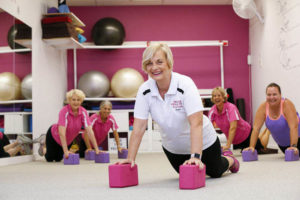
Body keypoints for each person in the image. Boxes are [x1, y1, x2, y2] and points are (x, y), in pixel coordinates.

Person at [118, 43, 240, 178]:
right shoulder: (144, 90)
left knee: (215, 171)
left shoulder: (185, 84)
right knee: (185, 174)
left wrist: (195, 156)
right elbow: (139, 127)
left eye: (159, 62)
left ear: (169, 63)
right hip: (174, 148)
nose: (154, 67)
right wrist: (130, 158)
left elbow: (196, 123)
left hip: (204, 142)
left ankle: (230, 160)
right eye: (149, 63)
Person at [36, 89, 100, 162]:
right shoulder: (64, 111)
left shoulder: (83, 112)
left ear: (81, 101)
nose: (76, 102)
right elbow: (62, 133)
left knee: (58, 159)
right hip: (54, 136)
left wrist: (96, 149)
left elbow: (90, 131)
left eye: (78, 100)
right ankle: (43, 147)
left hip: (68, 140)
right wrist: (65, 151)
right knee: (50, 158)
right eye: (73, 100)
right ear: (69, 100)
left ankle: (52, 149)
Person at [208, 87, 278, 154]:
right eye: (214, 96)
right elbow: (209, 129)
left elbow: (233, 127)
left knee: (262, 147)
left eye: (219, 95)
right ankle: (264, 132)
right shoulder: (212, 111)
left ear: (223, 97)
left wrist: (228, 145)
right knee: (249, 147)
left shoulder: (231, 108)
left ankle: (268, 130)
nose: (216, 97)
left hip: (246, 135)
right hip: (235, 140)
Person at [244, 83, 300, 155]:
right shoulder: (263, 107)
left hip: (297, 142)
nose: (272, 97)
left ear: (280, 95)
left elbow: (293, 127)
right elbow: (256, 129)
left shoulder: (287, 104)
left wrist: (293, 146)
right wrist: (251, 147)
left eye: (274, 94)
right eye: (269, 95)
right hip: (283, 146)